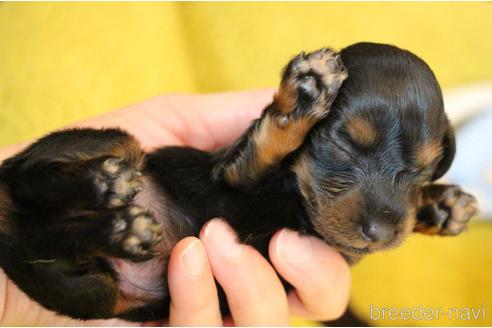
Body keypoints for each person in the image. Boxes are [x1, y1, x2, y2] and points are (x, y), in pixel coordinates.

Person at [0, 90, 351, 326]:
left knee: (98, 295)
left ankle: (94, 225)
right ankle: (85, 196)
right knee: (109, 153)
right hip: (112, 193)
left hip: (111, 273)